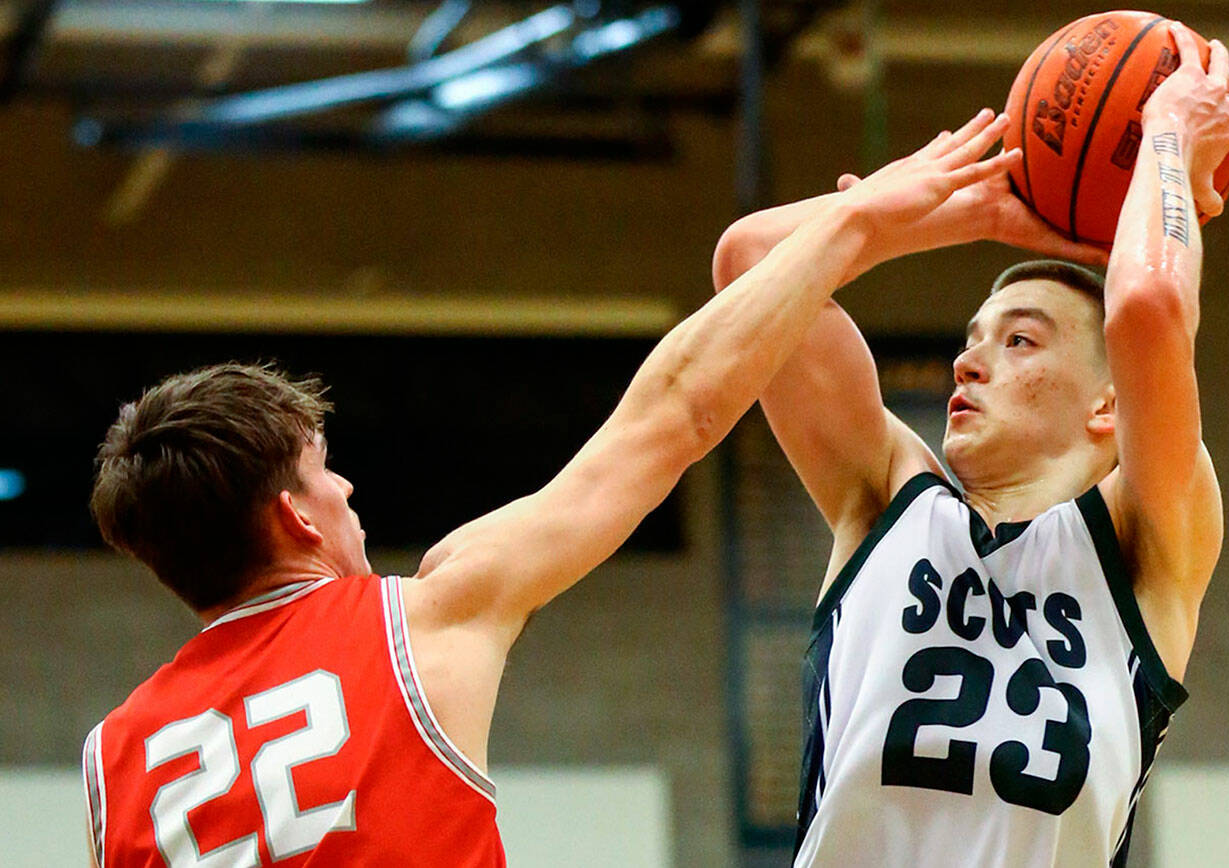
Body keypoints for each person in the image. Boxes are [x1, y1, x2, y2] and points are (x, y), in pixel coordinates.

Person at [79, 108, 1023, 866]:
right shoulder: (417, 620)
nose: (349, 488)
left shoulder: (110, 762)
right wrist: (858, 220)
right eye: (327, 473)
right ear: (293, 513)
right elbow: (679, 411)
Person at [711, 24, 1229, 868]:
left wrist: (1170, 139)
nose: (967, 360)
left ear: (1109, 405)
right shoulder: (888, 498)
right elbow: (752, 264)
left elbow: (1146, 307)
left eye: (1021, 341)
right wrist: (975, 211)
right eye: (976, 337)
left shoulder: (1147, 543)